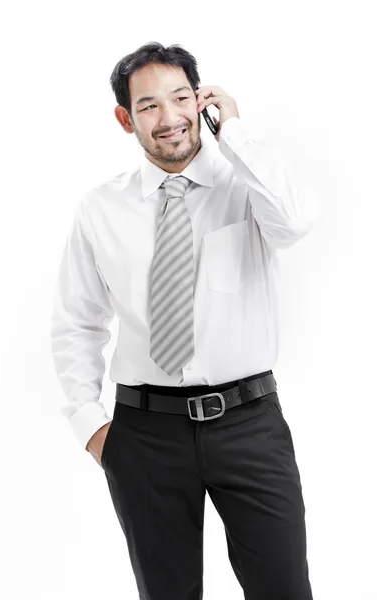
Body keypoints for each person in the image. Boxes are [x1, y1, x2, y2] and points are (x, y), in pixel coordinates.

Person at [50, 41, 320, 600]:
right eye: (149, 106)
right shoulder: (101, 208)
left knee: (284, 589)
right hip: (144, 434)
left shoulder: (245, 188)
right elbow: (77, 321)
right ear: (126, 119)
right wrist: (92, 426)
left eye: (180, 98)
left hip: (249, 424)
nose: (169, 118)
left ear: (201, 101)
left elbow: (295, 223)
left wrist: (236, 134)